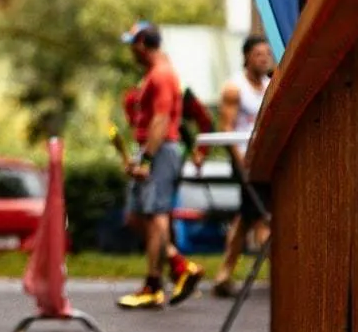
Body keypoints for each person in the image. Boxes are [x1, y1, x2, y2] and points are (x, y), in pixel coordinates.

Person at [117, 21, 203, 309]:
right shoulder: (152, 75)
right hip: (150, 148)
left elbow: (161, 120)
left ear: (142, 43)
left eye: (132, 43)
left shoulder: (163, 75)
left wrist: (149, 159)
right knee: (135, 216)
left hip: (161, 150)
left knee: (156, 214)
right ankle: (179, 265)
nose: (131, 50)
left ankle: (153, 285)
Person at [212, 34, 274, 296]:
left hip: (266, 160)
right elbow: (226, 128)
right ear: (247, 56)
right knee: (260, 216)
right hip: (245, 162)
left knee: (249, 217)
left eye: (266, 54)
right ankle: (276, 274)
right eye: (259, 54)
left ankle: (224, 274)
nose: (264, 59)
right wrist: (243, 166)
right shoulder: (234, 88)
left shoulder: (271, 85)